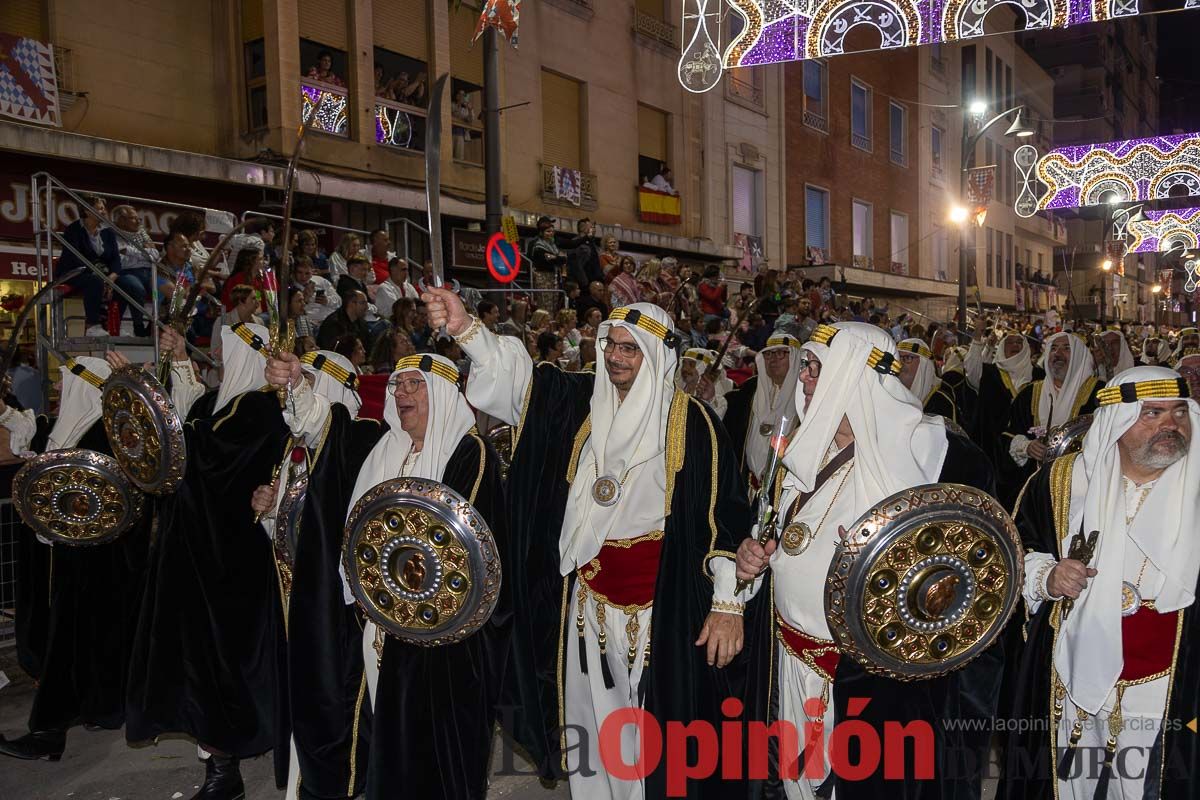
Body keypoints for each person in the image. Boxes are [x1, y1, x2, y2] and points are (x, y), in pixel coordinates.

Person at [424, 288, 758, 799]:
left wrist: (727, 602)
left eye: (630, 348)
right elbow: (519, 384)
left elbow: (725, 518)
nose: (617, 357)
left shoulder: (693, 423)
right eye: (611, 345)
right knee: (593, 730)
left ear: (654, 356)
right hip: (586, 605)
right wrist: (467, 329)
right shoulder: (578, 402)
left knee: (656, 736)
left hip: (660, 611)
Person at [732, 322, 999, 799]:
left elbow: (972, 589)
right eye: (806, 367)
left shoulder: (941, 459)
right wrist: (752, 557)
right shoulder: (802, 454)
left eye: (816, 368)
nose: (805, 379)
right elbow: (770, 536)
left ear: (854, 375)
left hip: (879, 692)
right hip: (790, 666)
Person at [262, 348, 509, 800]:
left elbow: (470, 561)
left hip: (445, 646)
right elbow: (324, 428)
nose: (403, 394)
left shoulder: (469, 454)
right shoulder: (381, 448)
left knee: (437, 753)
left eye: (416, 384)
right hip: (380, 633)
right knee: (392, 747)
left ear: (442, 392)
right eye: (398, 385)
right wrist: (297, 387)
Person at [999, 366, 1200, 799]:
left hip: (1172, 682)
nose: (1171, 425)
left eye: (1179, 413)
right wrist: (1047, 577)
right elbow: (1018, 550)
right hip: (1070, 671)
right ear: (1118, 420)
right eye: (1152, 414)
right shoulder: (1062, 481)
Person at [126, 321, 289, 800]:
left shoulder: (259, 409)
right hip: (194, 556)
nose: (219, 352)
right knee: (197, 662)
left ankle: (225, 772)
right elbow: (181, 435)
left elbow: (203, 454)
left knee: (224, 665)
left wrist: (152, 411)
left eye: (228, 346)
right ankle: (221, 764)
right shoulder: (214, 403)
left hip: (232, 562)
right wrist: (167, 371)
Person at [0, 353, 153, 762]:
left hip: (94, 566)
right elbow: (32, 439)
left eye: (66, 381)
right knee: (84, 644)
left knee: (73, 643)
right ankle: (96, 710)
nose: (57, 389)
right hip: (70, 562)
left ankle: (49, 730)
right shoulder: (66, 426)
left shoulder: (107, 435)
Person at [250, 349, 361, 798]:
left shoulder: (358, 440)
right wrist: (269, 509)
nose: (306, 388)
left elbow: (318, 421)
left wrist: (297, 387)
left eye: (315, 380)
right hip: (296, 600)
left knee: (336, 707)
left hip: (336, 609)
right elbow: (295, 528)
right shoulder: (292, 452)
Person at [1004, 332, 1104, 506]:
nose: (1058, 354)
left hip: (1083, 489)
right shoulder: (1029, 394)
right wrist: (1026, 447)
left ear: (1079, 356)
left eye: (1066, 349)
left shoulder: (1099, 393)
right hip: (1036, 492)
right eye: (1053, 349)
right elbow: (1006, 436)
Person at [723, 333, 804, 484]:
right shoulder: (749, 391)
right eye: (768, 354)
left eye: (780, 353)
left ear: (795, 358)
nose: (773, 359)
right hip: (746, 489)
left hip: (782, 489)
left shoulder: (806, 397)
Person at [58, 195, 121, 337]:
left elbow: (116, 259)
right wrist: (101, 277)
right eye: (100, 208)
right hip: (75, 273)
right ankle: (92, 325)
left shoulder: (108, 232)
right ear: (86, 211)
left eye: (104, 208)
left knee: (125, 283)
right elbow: (74, 259)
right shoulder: (73, 230)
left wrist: (111, 277)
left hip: (102, 274)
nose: (104, 212)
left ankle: (116, 326)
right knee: (94, 282)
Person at [897, 338, 958, 422]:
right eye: (898, 357)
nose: (900, 363)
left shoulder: (942, 402)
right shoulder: (891, 392)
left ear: (923, 365)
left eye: (907, 358)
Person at [676, 347, 734, 418]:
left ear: (702, 368)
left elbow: (713, 423)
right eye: (684, 364)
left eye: (691, 365)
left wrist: (708, 401)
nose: (684, 369)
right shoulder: (675, 389)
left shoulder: (718, 403)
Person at [530, 218, 566, 313]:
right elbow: (546, 260)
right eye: (548, 231)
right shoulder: (538, 246)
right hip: (543, 277)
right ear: (541, 233)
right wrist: (556, 258)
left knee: (554, 303)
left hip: (554, 277)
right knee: (545, 303)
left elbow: (563, 259)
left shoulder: (553, 245)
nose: (551, 233)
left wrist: (555, 257)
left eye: (552, 231)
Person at [294, 255, 340, 325]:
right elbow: (294, 313)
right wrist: (305, 299)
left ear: (312, 271)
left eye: (307, 273)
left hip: (331, 320)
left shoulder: (321, 281)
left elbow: (339, 301)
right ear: (294, 272)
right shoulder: (292, 288)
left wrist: (327, 300)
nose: (303, 277)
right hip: (310, 324)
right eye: (300, 272)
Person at [567, 217, 603, 288]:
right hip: (582, 283)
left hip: (593, 282)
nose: (593, 229)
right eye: (591, 227)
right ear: (582, 229)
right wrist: (583, 280)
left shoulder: (592, 244)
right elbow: (574, 264)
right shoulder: (575, 243)